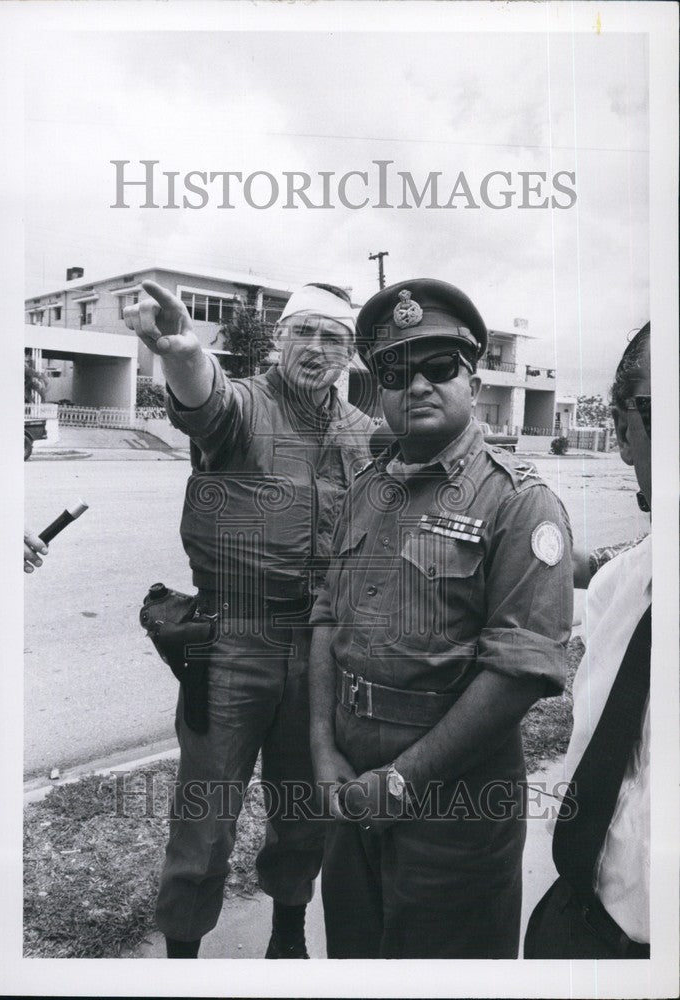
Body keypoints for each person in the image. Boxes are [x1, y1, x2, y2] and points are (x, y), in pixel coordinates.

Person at [309, 279, 574, 958]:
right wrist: (321, 748)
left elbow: (519, 671)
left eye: (438, 366)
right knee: (355, 958)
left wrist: (403, 782)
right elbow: (324, 622)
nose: (417, 385)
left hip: (453, 805)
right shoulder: (363, 490)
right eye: (396, 371)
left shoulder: (518, 503)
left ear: (471, 378)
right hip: (350, 793)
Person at [124, 280, 374, 959]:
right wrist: (180, 353)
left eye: (332, 338)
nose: (316, 349)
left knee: (305, 810)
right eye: (304, 333)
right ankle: (182, 957)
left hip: (319, 647)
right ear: (279, 339)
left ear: (348, 354)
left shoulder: (362, 433)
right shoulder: (244, 406)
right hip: (233, 642)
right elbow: (203, 398)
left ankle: (286, 937)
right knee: (205, 819)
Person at [525, 322, 651, 959]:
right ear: (626, 435)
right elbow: (584, 564)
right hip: (581, 923)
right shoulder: (623, 586)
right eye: (666, 413)